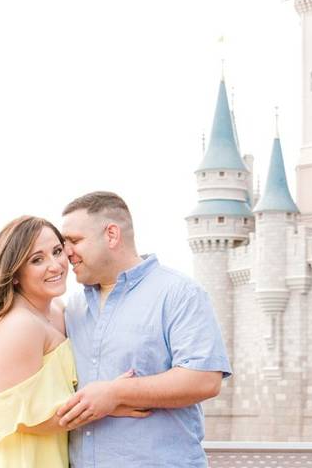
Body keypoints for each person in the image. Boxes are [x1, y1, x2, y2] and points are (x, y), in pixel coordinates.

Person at [57, 191, 231, 467]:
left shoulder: (179, 293)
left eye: (75, 241)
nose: (66, 253)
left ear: (112, 235)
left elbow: (205, 380)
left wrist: (115, 394)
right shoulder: (74, 307)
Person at [0, 216, 146, 468]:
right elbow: (24, 420)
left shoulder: (57, 309)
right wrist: (104, 406)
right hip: (19, 460)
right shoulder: (18, 326)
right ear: (14, 274)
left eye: (57, 251)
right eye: (37, 260)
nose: (56, 265)